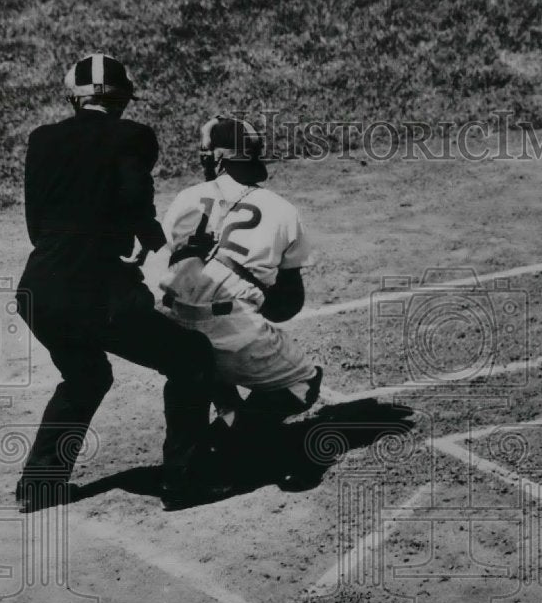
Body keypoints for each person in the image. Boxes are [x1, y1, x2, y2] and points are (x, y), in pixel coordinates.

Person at [16, 53, 230, 513]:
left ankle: (38, 485)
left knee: (86, 374)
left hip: (38, 291)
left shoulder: (42, 139)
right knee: (191, 357)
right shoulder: (133, 136)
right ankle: (182, 480)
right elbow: (135, 201)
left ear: (74, 95)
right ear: (122, 98)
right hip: (96, 295)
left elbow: (39, 225)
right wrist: (154, 245)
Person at [150, 115, 323, 476]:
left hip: (170, 334)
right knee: (305, 381)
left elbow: (165, 264)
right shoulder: (282, 209)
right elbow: (288, 305)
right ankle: (236, 434)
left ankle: (228, 414)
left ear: (214, 159)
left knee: (204, 348)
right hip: (233, 335)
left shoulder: (185, 198)